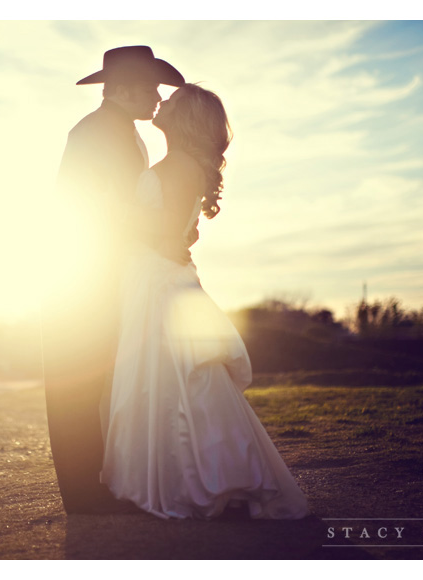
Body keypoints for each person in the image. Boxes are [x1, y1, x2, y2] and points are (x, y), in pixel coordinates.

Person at [100, 84, 311, 519]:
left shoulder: (176, 166)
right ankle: (209, 475)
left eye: (173, 101)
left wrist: (112, 212)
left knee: (170, 379)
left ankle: (208, 481)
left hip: (157, 277)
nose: (163, 100)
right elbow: (177, 228)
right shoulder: (182, 165)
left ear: (186, 119)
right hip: (158, 272)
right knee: (173, 379)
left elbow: (162, 227)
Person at [42, 46, 193, 514]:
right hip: (85, 273)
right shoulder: (94, 132)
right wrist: (164, 229)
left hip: (111, 270)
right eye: (150, 88)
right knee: (76, 382)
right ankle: (84, 496)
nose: (156, 97)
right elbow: (94, 207)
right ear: (123, 90)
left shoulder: (123, 132)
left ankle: (101, 484)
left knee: (102, 379)